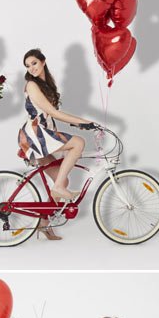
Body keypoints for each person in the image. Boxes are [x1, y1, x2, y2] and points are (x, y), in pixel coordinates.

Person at [19, 48, 95, 239]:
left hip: (44, 132)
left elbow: (51, 113)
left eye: (34, 63)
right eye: (28, 65)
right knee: (78, 143)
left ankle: (43, 222)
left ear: (43, 62)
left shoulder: (45, 84)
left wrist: (80, 122)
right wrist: (82, 122)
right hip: (37, 134)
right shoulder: (31, 85)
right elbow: (52, 113)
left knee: (64, 179)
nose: (32, 68)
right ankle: (58, 188)